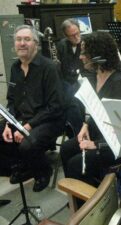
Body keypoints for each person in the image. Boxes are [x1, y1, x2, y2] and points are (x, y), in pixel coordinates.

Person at [60, 31, 121, 190]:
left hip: (115, 144)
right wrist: (86, 125)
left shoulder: (119, 84)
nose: (81, 56)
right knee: (66, 149)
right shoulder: (97, 75)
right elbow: (97, 109)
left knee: (75, 164)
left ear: (98, 54)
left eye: (85, 53)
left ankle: (90, 205)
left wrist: (96, 144)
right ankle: (79, 196)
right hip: (101, 132)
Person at [0, 25, 64, 192]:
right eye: (18, 39)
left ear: (36, 44)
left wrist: (26, 127)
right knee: (1, 133)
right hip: (24, 118)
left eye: (27, 39)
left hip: (49, 119)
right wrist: (8, 123)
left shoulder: (49, 67)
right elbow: (12, 100)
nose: (22, 43)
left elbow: (55, 106)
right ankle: (25, 164)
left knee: (27, 144)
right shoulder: (15, 68)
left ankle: (43, 171)